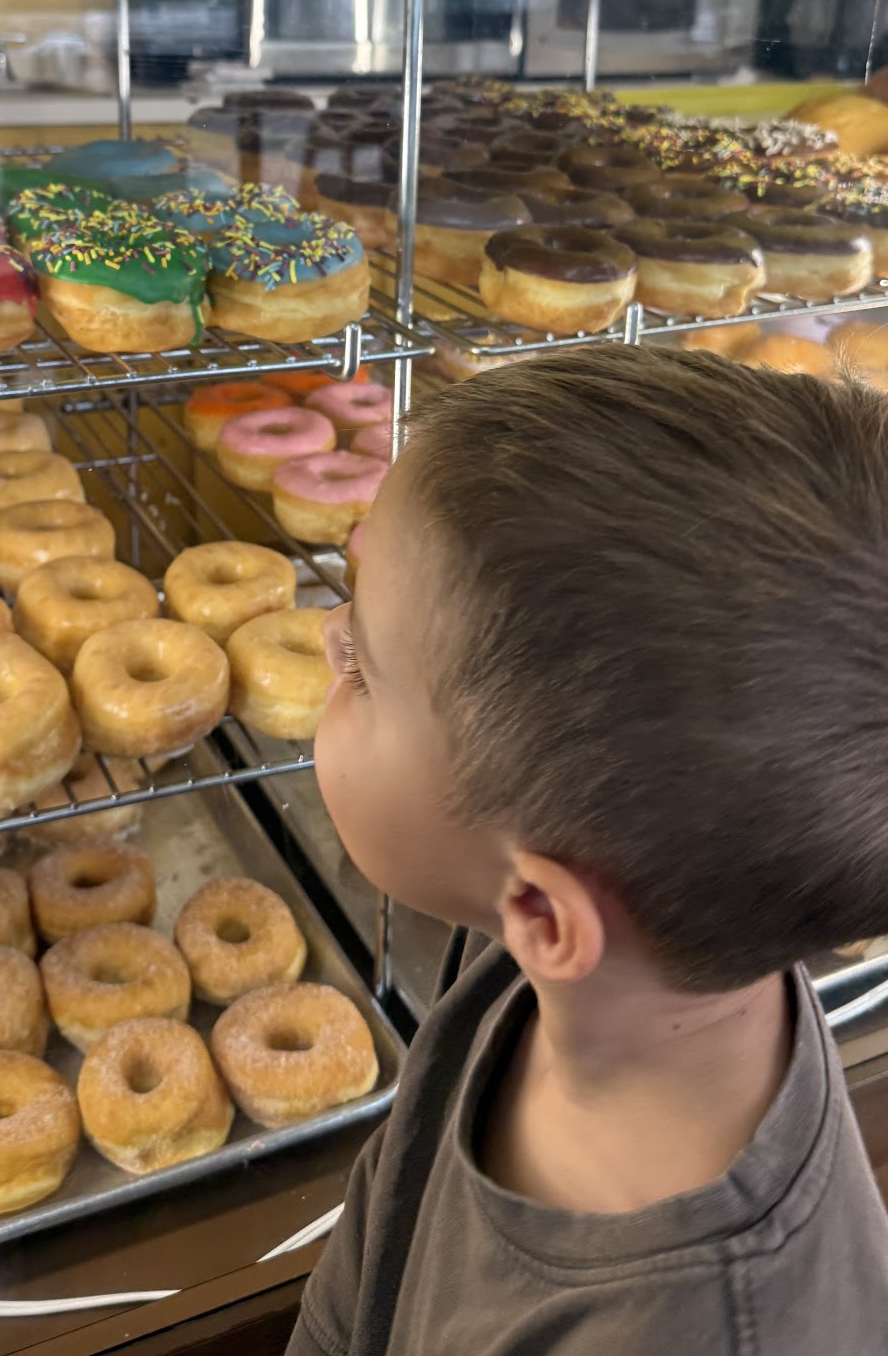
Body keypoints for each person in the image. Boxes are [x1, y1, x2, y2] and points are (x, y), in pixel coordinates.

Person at [289, 345, 888, 1355]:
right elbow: (368, 1272)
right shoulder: (608, 966)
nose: (326, 645)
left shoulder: (700, 1328)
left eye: (366, 669)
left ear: (546, 913)